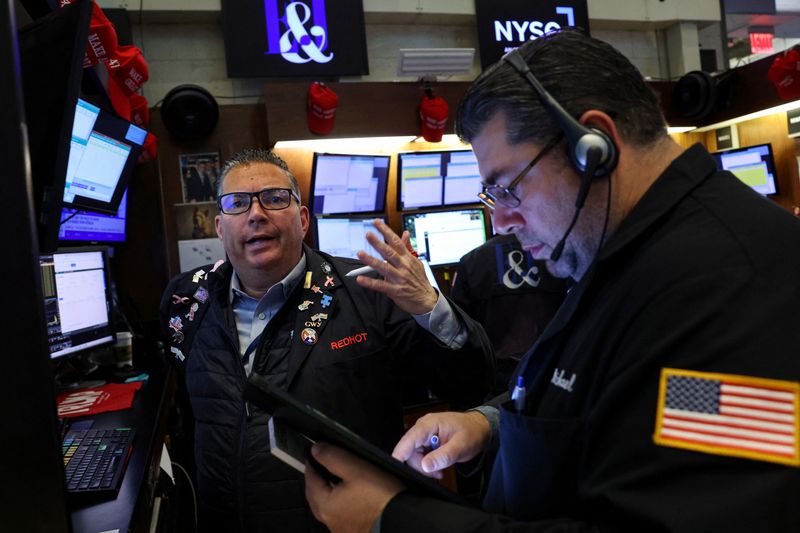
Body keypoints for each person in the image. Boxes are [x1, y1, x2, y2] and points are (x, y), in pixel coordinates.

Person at [304, 29, 800, 532]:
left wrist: (395, 520)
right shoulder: (625, 251)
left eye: (508, 187)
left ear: (595, 146)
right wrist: (493, 424)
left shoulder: (736, 284)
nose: (500, 223)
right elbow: (636, 401)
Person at [160, 148, 494, 532]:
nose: (255, 214)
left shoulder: (369, 291)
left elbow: (472, 382)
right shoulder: (186, 300)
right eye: (238, 204)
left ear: (303, 220)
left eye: (273, 198)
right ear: (220, 227)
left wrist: (429, 307)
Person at [450, 233, 567, 395]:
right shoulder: (557, 254)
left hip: (497, 377)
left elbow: (458, 329)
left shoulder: (471, 260)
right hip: (554, 373)